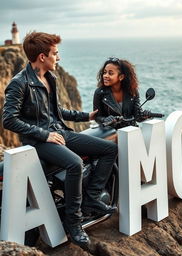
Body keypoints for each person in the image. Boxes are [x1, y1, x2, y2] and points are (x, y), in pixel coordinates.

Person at [2, 32, 118, 249]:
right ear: (43, 57)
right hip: (38, 141)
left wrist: (86, 116)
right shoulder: (20, 83)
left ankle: (91, 197)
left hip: (59, 132)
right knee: (75, 163)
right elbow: (8, 120)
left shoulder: (50, 78)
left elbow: (56, 111)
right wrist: (44, 135)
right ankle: (74, 224)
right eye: (55, 53)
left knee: (109, 149)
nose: (59, 57)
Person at [93, 57, 143, 129]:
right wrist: (105, 119)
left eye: (110, 73)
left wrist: (144, 115)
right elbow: (97, 116)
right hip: (110, 132)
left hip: (130, 131)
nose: (105, 76)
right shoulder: (99, 93)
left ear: (121, 77)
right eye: (104, 72)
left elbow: (137, 116)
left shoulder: (132, 91)